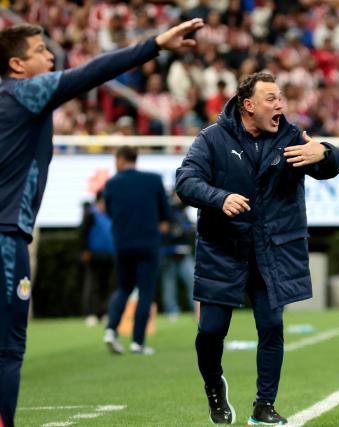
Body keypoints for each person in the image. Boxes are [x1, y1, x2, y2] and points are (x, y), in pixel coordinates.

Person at [0, 18, 203, 427]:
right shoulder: (25, 92)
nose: (50, 56)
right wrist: (154, 45)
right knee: (7, 351)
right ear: (17, 66)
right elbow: (91, 73)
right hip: (5, 238)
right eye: (41, 51)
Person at [175, 72, 339, 425]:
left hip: (272, 251)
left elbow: (332, 166)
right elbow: (185, 182)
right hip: (223, 249)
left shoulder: (292, 136)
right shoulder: (211, 139)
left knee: (271, 327)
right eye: (271, 98)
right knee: (210, 332)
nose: (279, 104)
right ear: (248, 105)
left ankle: (264, 405)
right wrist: (219, 198)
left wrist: (325, 152)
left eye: (280, 97)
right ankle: (214, 388)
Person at [102, 146, 170, 356]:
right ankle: (137, 343)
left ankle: (111, 330)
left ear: (121, 160)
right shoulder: (153, 180)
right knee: (145, 292)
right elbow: (165, 214)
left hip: (123, 243)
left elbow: (110, 212)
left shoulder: (111, 184)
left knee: (123, 288)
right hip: (148, 243)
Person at [80, 190, 115, 327]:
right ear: (99, 201)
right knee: (92, 285)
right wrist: (85, 250)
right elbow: (83, 234)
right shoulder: (90, 215)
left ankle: (103, 313)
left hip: (109, 255)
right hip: (94, 255)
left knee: (106, 286)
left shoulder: (110, 214)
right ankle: (90, 313)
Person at [160, 190, 196, 320]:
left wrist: (186, 229)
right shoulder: (166, 211)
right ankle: (171, 311)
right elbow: (163, 230)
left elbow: (188, 228)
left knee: (192, 281)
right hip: (169, 253)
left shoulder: (183, 211)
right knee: (169, 284)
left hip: (183, 252)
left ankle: (196, 309)